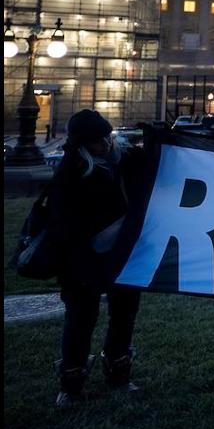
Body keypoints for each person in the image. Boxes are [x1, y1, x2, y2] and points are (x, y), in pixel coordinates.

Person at [46, 109, 144, 407]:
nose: (106, 143)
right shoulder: (71, 173)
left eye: (107, 137)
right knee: (80, 320)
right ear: (83, 144)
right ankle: (71, 385)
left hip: (122, 255)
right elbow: (64, 224)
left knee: (123, 315)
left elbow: (152, 165)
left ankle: (119, 373)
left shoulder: (122, 162)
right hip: (82, 260)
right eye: (99, 140)